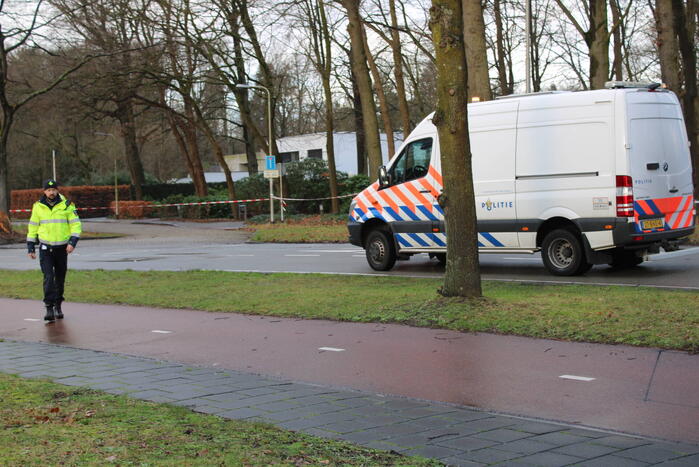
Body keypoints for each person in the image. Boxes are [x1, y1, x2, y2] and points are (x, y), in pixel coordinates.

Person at [26, 180, 82, 322]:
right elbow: (33, 227)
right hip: (45, 248)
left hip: (62, 248)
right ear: (44, 191)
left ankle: (58, 305)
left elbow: (76, 225)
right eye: (48, 190)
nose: (51, 192)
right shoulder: (37, 206)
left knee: (60, 278)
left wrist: (72, 243)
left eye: (54, 189)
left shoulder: (67, 205)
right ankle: (49, 307)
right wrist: (30, 247)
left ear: (58, 190)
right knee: (48, 277)